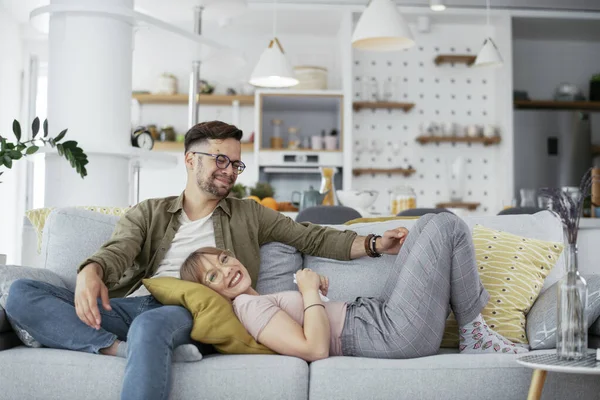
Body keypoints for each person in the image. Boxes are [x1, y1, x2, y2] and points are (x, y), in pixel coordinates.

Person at [6, 120, 412, 400]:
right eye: (220, 159)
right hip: (140, 303)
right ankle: (117, 348)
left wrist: (376, 243)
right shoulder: (149, 211)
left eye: (235, 163)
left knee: (151, 324)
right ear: (190, 159)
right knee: (21, 294)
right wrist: (92, 270)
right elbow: (120, 249)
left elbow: (312, 236)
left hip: (195, 309)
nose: (230, 170)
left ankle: (141, 344)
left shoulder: (248, 213)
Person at [179, 213, 529, 361]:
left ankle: (474, 332)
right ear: (211, 294)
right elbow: (314, 349)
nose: (224, 272)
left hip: (379, 316)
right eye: (212, 277)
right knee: (447, 226)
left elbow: (312, 322)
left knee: (427, 225)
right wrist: (309, 293)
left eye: (222, 261)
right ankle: (475, 334)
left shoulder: (257, 300)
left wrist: (317, 295)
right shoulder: (247, 308)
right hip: (391, 333)